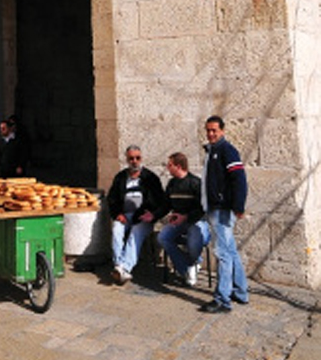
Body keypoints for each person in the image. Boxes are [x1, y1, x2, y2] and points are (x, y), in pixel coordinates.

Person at [199, 115, 249, 313]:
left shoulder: (226, 150)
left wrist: (238, 206)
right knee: (231, 251)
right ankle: (240, 291)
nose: (211, 134)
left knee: (223, 254)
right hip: (214, 208)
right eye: (208, 130)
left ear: (222, 131)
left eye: (214, 130)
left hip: (222, 209)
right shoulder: (212, 151)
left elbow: (239, 179)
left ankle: (222, 299)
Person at [107, 145, 165, 284]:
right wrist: (118, 214)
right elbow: (112, 199)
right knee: (116, 230)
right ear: (127, 159)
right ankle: (119, 265)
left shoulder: (151, 178)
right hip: (125, 216)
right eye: (131, 158)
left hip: (143, 218)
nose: (134, 161)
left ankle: (123, 268)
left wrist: (150, 215)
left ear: (141, 158)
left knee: (135, 232)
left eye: (137, 158)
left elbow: (159, 201)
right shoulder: (120, 178)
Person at [155, 152, 210, 287]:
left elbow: (203, 209)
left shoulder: (195, 183)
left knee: (193, 241)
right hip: (178, 222)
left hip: (196, 221)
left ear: (178, 166)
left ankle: (193, 263)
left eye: (170, 165)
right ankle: (187, 268)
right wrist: (154, 215)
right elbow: (166, 205)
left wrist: (185, 217)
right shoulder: (172, 184)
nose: (167, 168)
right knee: (163, 237)